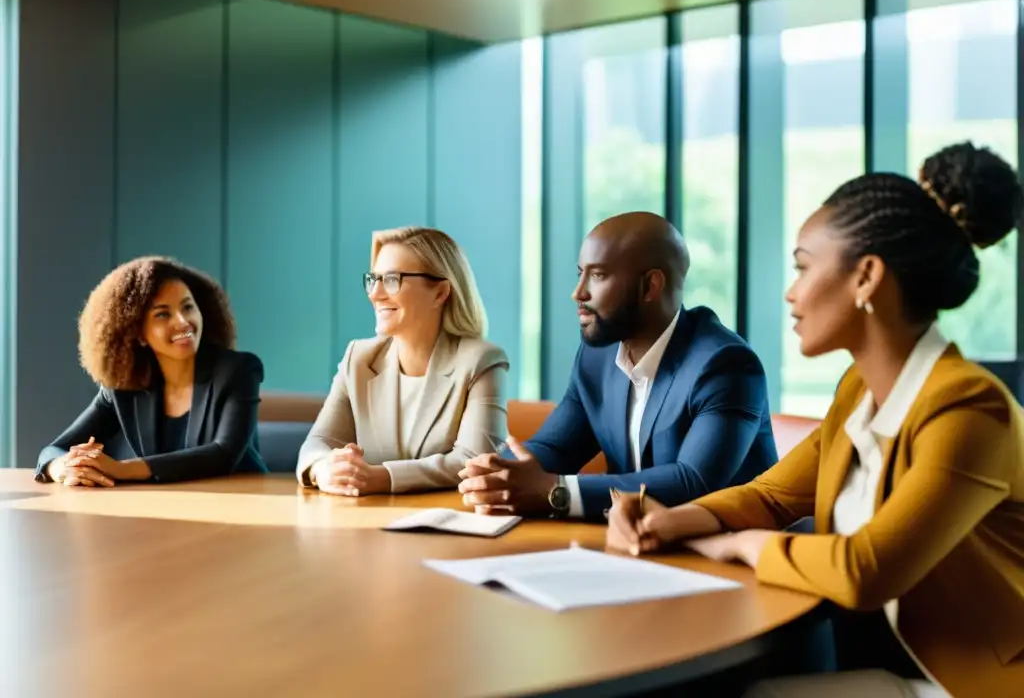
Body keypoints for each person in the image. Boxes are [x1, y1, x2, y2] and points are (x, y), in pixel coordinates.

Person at [607, 143, 1024, 698]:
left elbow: (867, 570)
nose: (791, 291)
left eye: (804, 267)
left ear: (866, 278)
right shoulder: (859, 391)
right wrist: (669, 521)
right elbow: (773, 496)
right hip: (899, 669)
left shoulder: (971, 409)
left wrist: (737, 546)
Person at [458, 211, 777, 520]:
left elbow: (692, 482)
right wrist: (499, 474)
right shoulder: (597, 357)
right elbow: (555, 446)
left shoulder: (725, 365)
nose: (578, 292)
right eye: (579, 272)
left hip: (728, 554)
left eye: (597, 275)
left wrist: (557, 491)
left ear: (650, 286)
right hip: (635, 542)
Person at [296, 227, 508, 495]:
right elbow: (317, 443)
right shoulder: (359, 358)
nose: (375, 294)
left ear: (440, 292)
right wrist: (323, 469)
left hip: (448, 525)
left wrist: (383, 477)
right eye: (374, 279)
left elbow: (474, 461)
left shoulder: (481, 361)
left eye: (393, 279)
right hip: (366, 523)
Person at [36, 257, 267, 486]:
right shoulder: (122, 387)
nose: (183, 321)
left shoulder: (238, 370)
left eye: (188, 307)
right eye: (163, 314)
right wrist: (62, 467)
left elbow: (222, 455)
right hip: (164, 507)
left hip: (238, 502)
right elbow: (54, 449)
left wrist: (119, 469)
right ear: (137, 332)